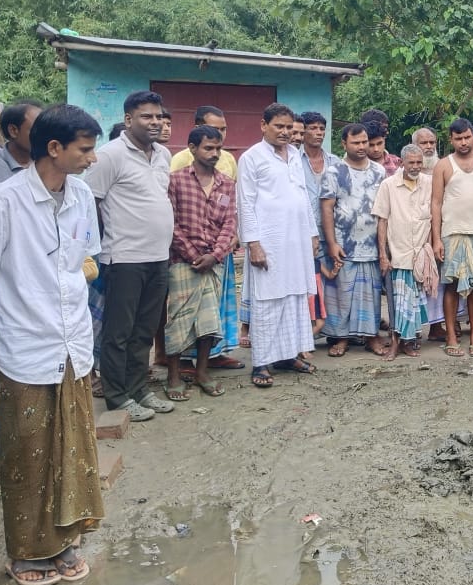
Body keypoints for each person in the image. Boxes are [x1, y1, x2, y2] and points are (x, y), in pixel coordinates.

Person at [0, 104, 103, 585]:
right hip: (25, 348)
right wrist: (14, 314)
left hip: (73, 344)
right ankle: (27, 553)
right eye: (84, 149)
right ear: (55, 149)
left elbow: (84, 256)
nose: (91, 158)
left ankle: (65, 542)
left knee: (71, 448)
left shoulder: (83, 195)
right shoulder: (3, 201)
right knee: (28, 453)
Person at [85, 90, 176, 422]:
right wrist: (102, 244)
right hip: (123, 258)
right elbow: (90, 202)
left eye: (157, 116)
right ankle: (117, 395)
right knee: (118, 332)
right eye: (145, 116)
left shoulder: (163, 154)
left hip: (158, 257)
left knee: (145, 328)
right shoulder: (110, 155)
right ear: (128, 120)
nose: (154, 122)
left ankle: (139, 389)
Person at [237, 104, 319, 388]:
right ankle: (261, 362)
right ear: (263, 125)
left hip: (296, 241)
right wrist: (253, 244)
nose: (285, 132)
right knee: (268, 300)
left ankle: (287, 356)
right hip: (268, 241)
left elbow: (302, 197)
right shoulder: (251, 158)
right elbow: (245, 203)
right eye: (279, 126)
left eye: (289, 128)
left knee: (295, 297)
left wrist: (312, 233)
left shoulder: (296, 155)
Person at [0, 99, 41, 408]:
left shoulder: (41, 167)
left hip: (32, 274)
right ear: (13, 130)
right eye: (35, 127)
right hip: (1, 276)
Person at [164, 126, 237, 401]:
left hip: (214, 263)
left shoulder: (226, 183)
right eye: (208, 148)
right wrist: (194, 255)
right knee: (179, 320)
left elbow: (229, 224)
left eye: (218, 148)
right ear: (192, 148)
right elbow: (171, 223)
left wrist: (215, 256)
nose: (215, 153)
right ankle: (173, 375)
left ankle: (202, 372)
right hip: (184, 262)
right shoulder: (176, 181)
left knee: (209, 320)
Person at [431, 117, 473, 357]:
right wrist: (436, 239)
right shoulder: (443, 165)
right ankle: (451, 337)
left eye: (467, 137)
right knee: (450, 286)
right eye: (458, 138)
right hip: (452, 233)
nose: (463, 142)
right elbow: (436, 203)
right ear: (451, 139)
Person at [321, 122, 387, 356]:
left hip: (371, 243)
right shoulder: (334, 172)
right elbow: (327, 208)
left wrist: (383, 247)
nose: (362, 147)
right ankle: (341, 338)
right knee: (341, 292)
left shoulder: (379, 172)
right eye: (356, 142)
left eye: (364, 142)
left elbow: (384, 210)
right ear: (344, 143)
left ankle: (371, 336)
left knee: (371, 293)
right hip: (344, 244)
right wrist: (331, 243)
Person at [373, 144, 435, 360]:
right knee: (396, 305)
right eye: (412, 163)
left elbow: (434, 218)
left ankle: (408, 343)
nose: (416, 167)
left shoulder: (429, 184)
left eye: (419, 162)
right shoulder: (388, 185)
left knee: (414, 304)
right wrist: (383, 255)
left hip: (419, 256)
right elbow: (382, 221)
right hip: (397, 256)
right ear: (401, 163)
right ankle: (395, 343)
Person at [301, 111, 339, 339]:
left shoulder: (334, 162)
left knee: (333, 283)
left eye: (321, 129)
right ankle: (308, 331)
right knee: (310, 284)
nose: (318, 133)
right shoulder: (293, 161)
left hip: (332, 231)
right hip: (305, 233)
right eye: (313, 128)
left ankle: (334, 332)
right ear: (303, 131)